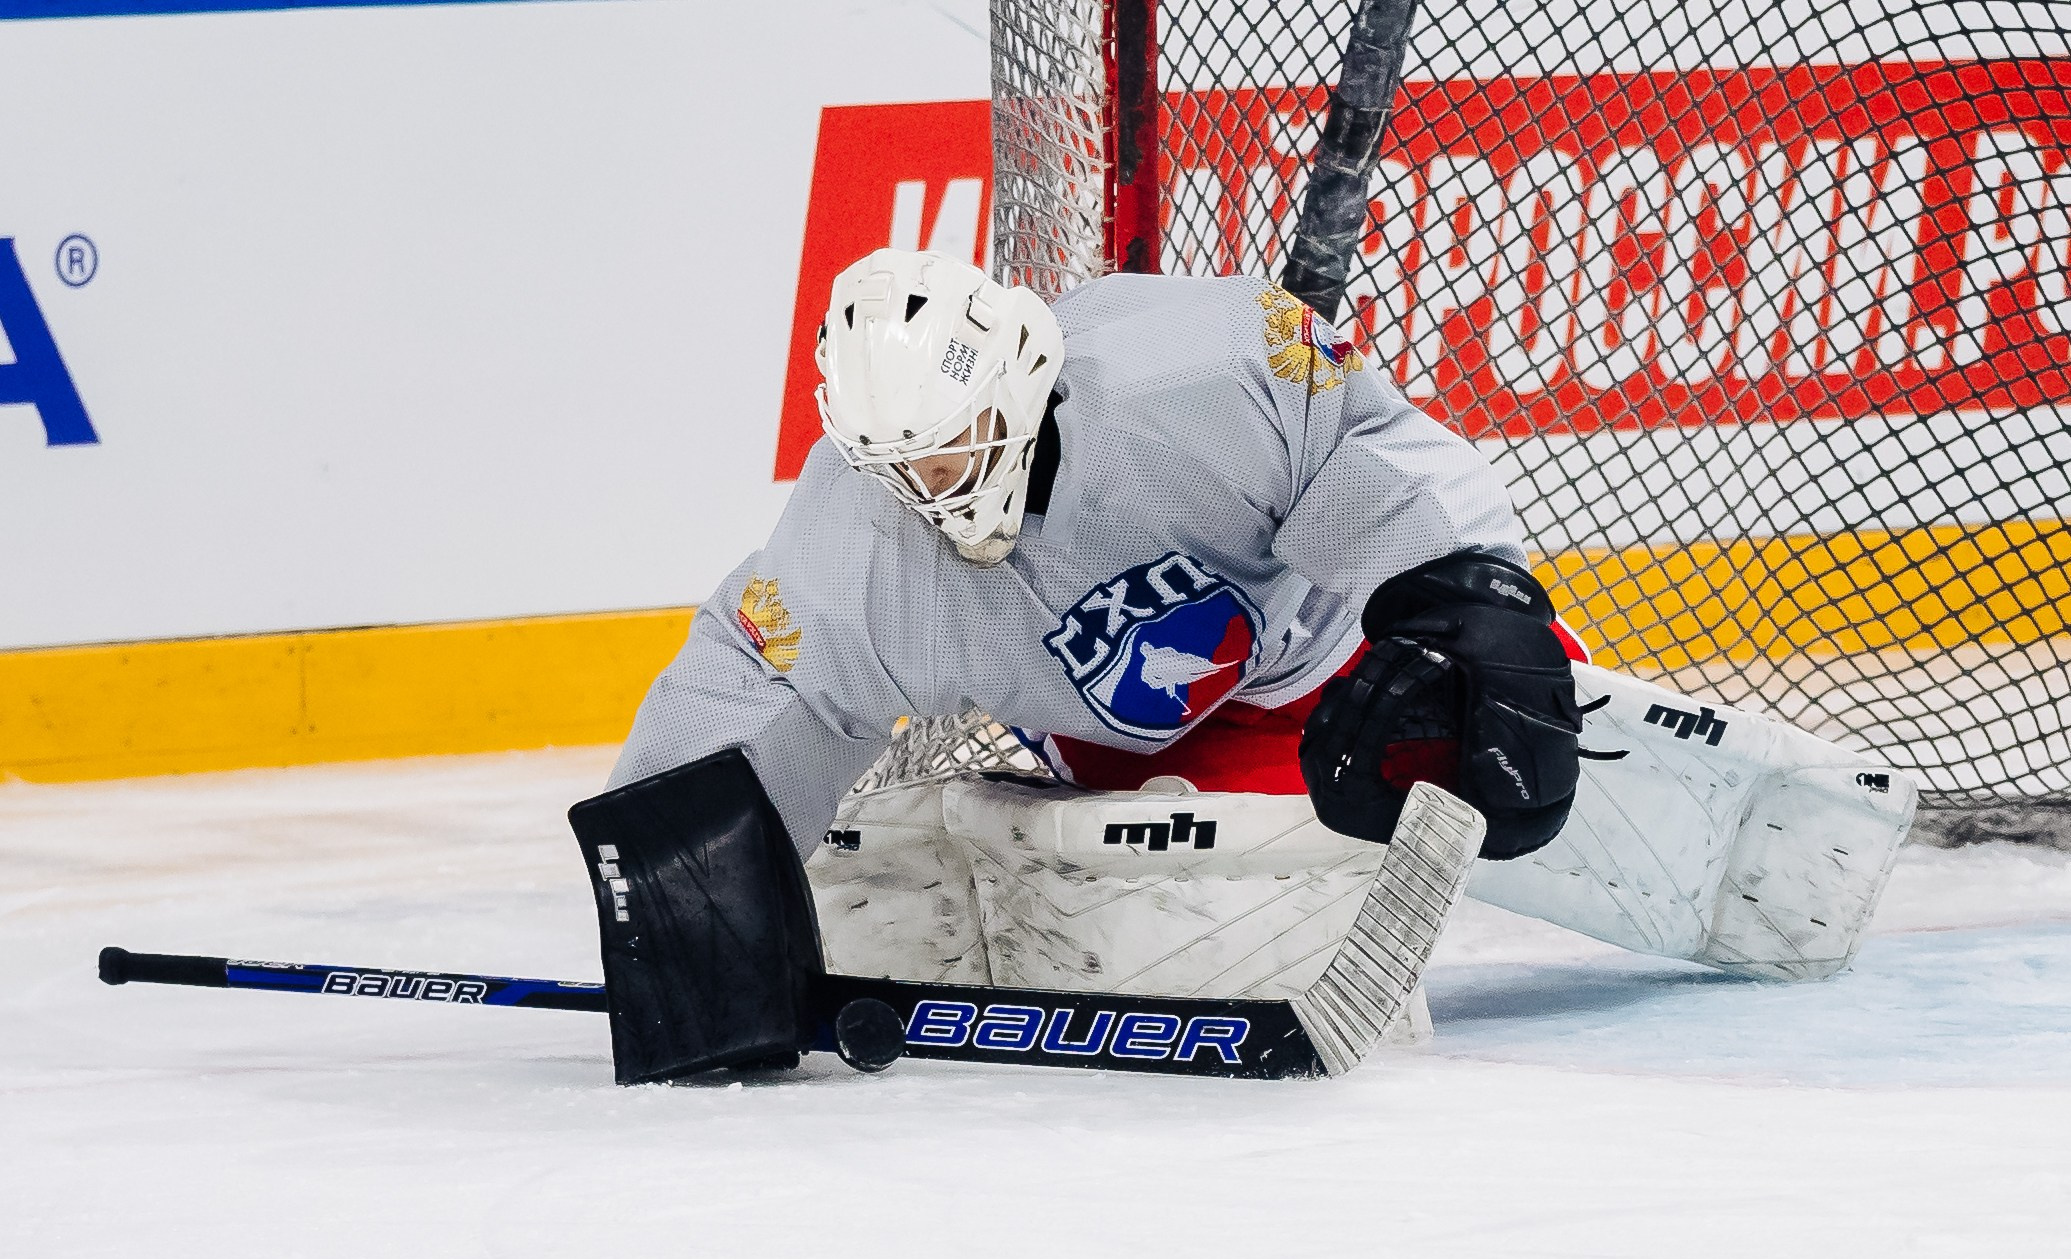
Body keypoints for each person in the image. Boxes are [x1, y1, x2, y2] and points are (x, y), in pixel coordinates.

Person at [609, 248, 1584, 864]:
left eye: (957, 438)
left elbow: (1368, 458)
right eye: (908, 463)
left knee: (1522, 687)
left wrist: (1474, 606)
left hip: (1331, 660)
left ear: (1020, 370)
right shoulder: (852, 533)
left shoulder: (1193, 367)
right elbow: (760, 670)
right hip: (1126, 755)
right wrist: (673, 857)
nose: (941, 482)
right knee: (1217, 894)